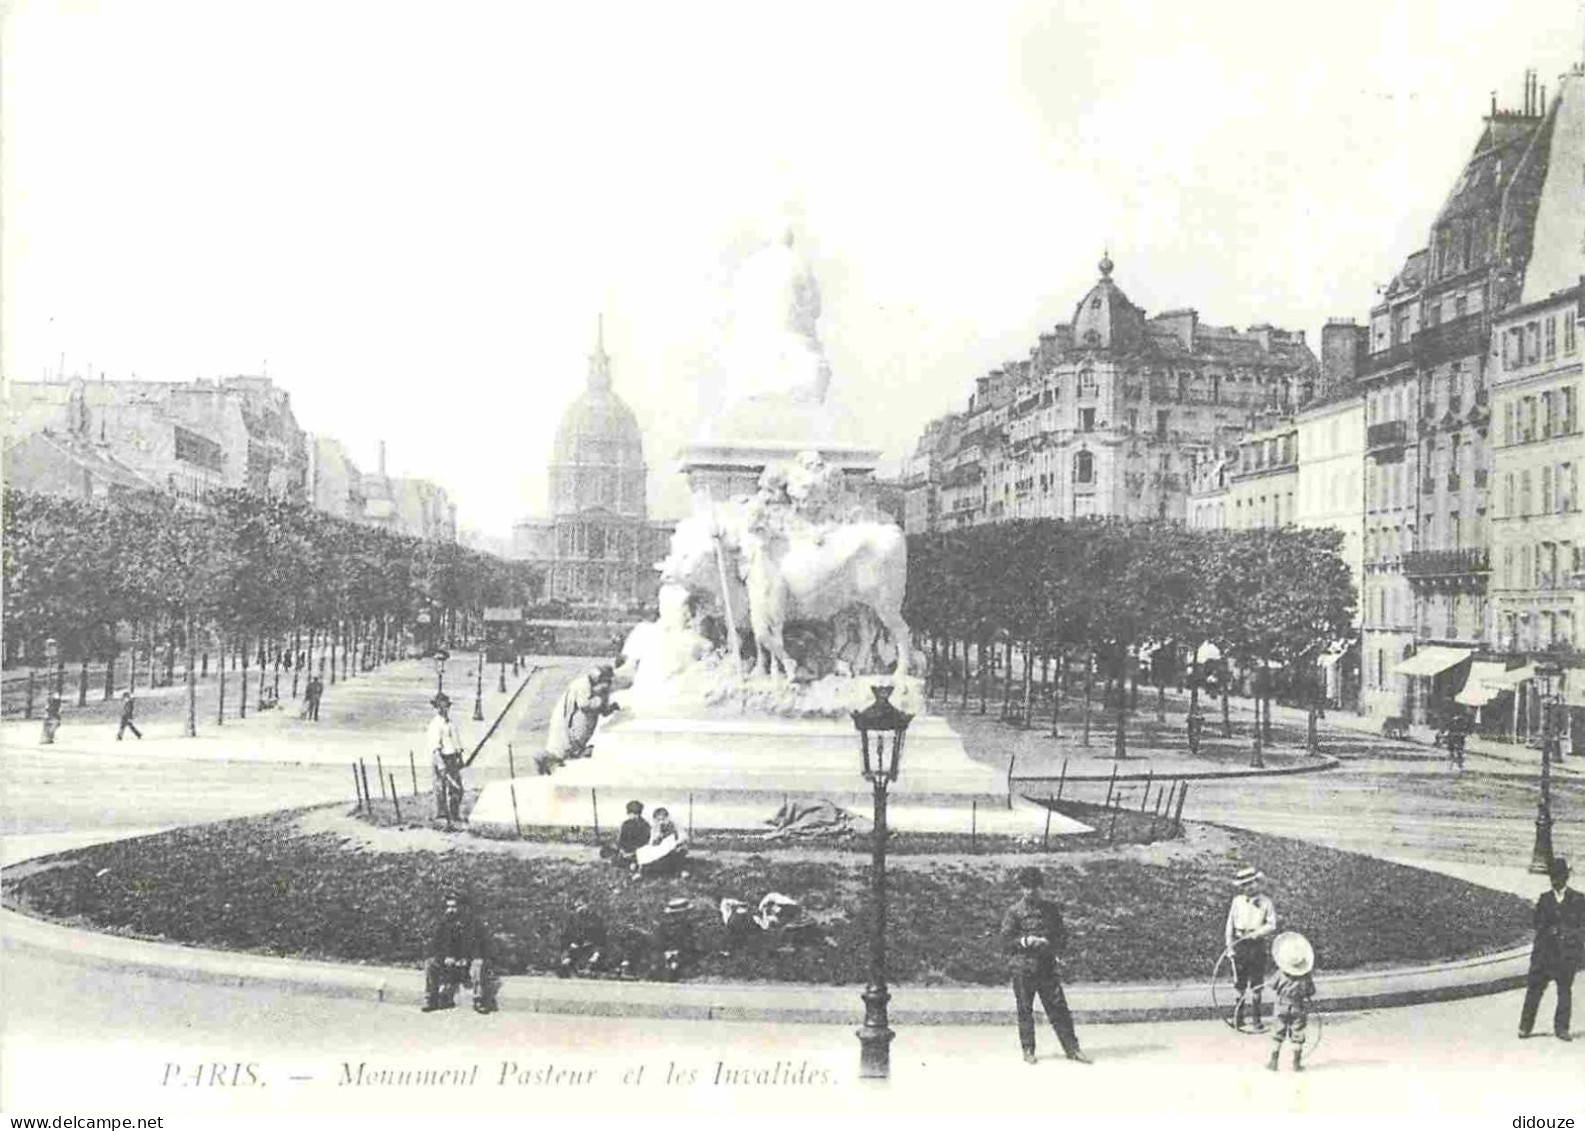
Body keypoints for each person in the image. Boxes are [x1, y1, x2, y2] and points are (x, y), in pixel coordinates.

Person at [999, 867, 1090, 1065]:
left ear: (1041, 888)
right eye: (1026, 887)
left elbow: (1062, 935)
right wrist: (1025, 941)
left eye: (1034, 887)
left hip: (1047, 967)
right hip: (1023, 968)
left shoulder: (1051, 910)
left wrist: (1051, 944)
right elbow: (1006, 940)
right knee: (1025, 1009)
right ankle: (1028, 1050)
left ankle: (1072, 1049)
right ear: (1021, 888)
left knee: (1059, 1009)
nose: (1030, 891)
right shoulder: (1014, 912)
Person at [1519, 856, 1584, 1041]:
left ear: (1566, 877)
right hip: (1545, 955)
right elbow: (1537, 923)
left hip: (1566, 955)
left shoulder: (1578, 899)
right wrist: (1550, 930)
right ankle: (1525, 1026)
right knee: (1534, 990)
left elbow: (1581, 926)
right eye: (1553, 877)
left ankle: (1562, 1028)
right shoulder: (1544, 899)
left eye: (1559, 876)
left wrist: (1569, 936)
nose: (1555, 880)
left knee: (1564, 992)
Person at [421, 893, 499, 1013]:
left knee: (478, 964)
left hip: (467, 963)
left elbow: (480, 945)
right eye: (448, 907)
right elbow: (434, 946)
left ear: (463, 908)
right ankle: (431, 998)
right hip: (448, 963)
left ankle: (479, 1000)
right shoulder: (442, 924)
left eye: (454, 906)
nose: (451, 910)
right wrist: (445, 958)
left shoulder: (473, 924)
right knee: (430, 963)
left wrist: (466, 958)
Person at [1224, 866, 1278, 1032]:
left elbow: (1272, 924)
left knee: (1256, 983)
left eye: (1252, 883)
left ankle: (1257, 1021)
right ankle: (1238, 1019)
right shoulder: (1237, 901)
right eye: (1245, 885)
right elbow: (1229, 924)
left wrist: (1257, 933)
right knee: (1239, 983)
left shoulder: (1266, 902)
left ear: (1257, 883)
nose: (1249, 887)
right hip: (1240, 944)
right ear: (1241, 887)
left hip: (1256, 945)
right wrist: (1229, 946)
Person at [539, 666, 619, 773]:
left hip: (576, 730)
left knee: (568, 748)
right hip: (567, 726)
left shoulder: (597, 690)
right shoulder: (583, 686)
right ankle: (552, 765)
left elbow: (602, 710)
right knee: (562, 748)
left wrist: (609, 708)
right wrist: (599, 701)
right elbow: (584, 705)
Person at [1265, 931, 1317, 1072]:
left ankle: (1273, 1062)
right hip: (1298, 1006)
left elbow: (1271, 985)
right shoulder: (1305, 976)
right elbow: (1311, 991)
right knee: (1297, 1034)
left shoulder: (1280, 973)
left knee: (1278, 1033)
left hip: (1281, 1005)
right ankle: (1296, 1064)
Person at [428, 693, 466, 827]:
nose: (443, 709)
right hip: (442, 758)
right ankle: (442, 817)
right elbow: (434, 747)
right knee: (440, 788)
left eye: (445, 706)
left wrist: (460, 758)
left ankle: (455, 814)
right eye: (440, 707)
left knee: (457, 789)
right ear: (436, 708)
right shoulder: (435, 724)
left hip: (452, 758)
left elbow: (456, 742)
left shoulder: (451, 723)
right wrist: (440, 764)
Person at [633, 806, 689, 878]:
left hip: (675, 848)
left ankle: (681, 871)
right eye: (658, 820)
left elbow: (684, 837)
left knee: (679, 851)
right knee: (643, 851)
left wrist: (677, 843)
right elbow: (652, 841)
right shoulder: (656, 828)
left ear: (667, 818)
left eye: (663, 819)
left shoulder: (674, 826)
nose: (661, 822)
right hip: (662, 848)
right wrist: (657, 838)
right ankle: (640, 871)